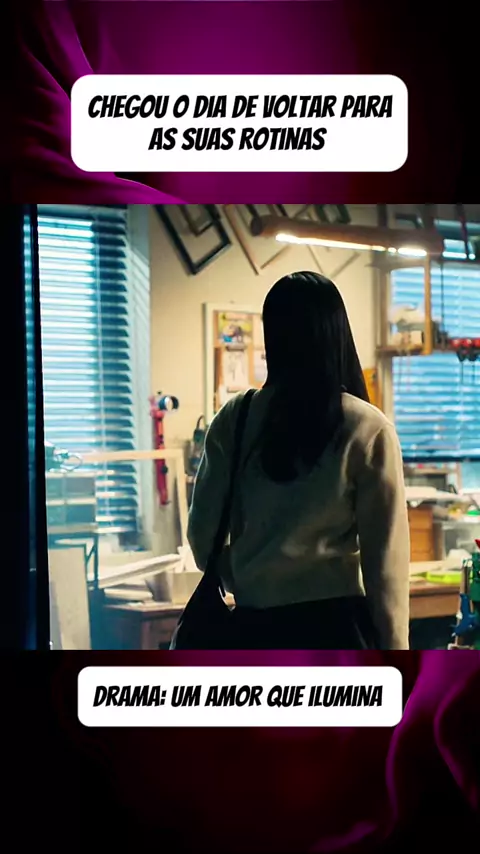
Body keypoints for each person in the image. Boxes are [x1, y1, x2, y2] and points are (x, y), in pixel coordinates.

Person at [187, 271, 410, 650]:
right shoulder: (367, 428)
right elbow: (385, 565)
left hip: (255, 630)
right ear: (338, 334)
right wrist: (397, 656)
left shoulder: (235, 419)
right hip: (337, 631)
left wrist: (248, 577)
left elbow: (201, 540)